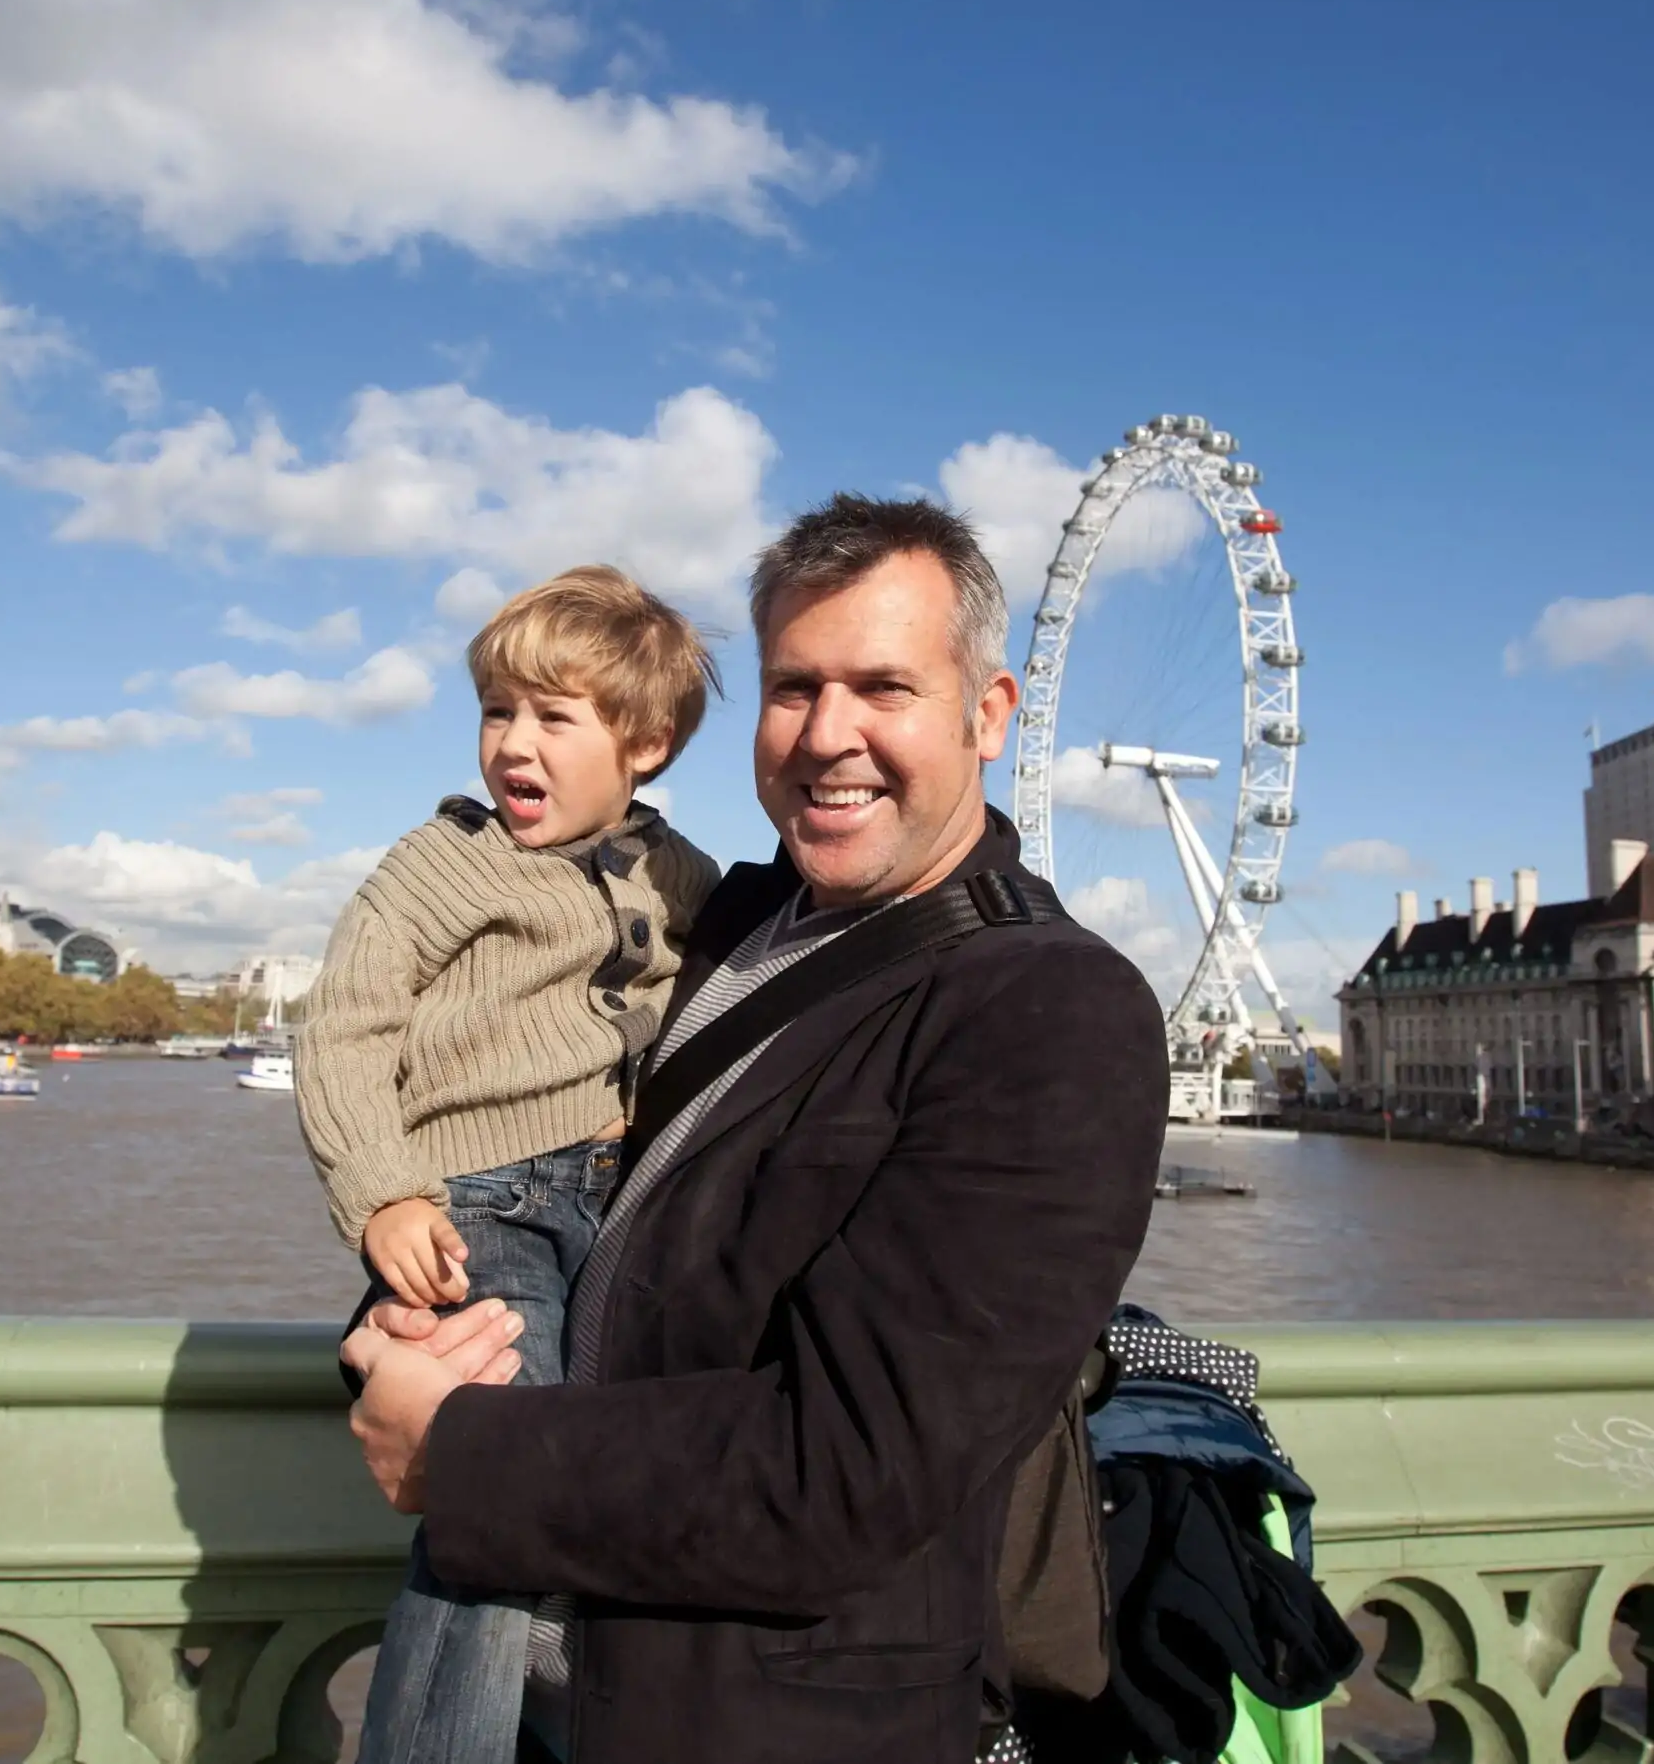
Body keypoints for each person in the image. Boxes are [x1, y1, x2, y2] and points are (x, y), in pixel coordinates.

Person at [341, 495, 1170, 1764]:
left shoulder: (1051, 1009)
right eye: (794, 687)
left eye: (883, 686)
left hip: (761, 1721)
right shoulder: (728, 918)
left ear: (990, 713)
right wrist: (423, 1286)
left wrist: (459, 1451)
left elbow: (846, 1469)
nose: (829, 736)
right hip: (552, 1699)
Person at [296, 563, 723, 1764]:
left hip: (619, 1210)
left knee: (627, 1468)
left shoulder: (673, 872)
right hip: (478, 1210)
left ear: (644, 745)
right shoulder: (444, 862)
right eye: (497, 712)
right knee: (496, 1476)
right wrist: (381, 1193)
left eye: (552, 716)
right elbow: (343, 1028)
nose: (512, 745)